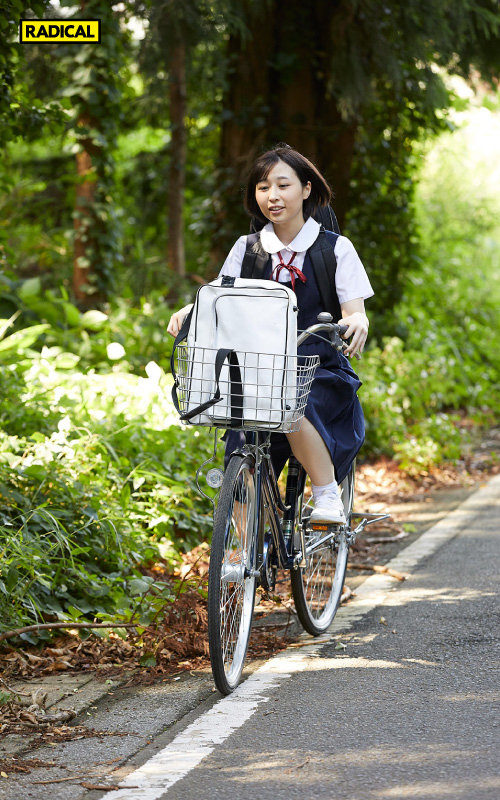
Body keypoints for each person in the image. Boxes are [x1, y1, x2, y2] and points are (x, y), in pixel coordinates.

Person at [167, 144, 373, 524]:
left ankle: (326, 493)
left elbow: (354, 311)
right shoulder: (247, 249)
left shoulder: (334, 249)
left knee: (293, 404)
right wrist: (189, 309)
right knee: (239, 460)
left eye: (282, 185)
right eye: (263, 187)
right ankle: (242, 559)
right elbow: (219, 295)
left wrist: (356, 322)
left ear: (306, 189)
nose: (272, 196)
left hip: (317, 366)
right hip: (256, 370)